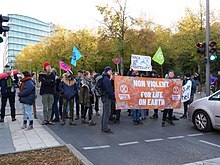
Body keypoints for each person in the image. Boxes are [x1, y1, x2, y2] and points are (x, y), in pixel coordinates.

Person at [101, 66, 115, 132]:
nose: (111, 73)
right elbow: (109, 90)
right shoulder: (106, 79)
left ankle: (104, 126)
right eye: (110, 71)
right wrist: (113, 97)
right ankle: (105, 128)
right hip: (106, 97)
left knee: (105, 112)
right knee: (106, 113)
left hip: (104, 96)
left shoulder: (105, 78)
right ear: (108, 71)